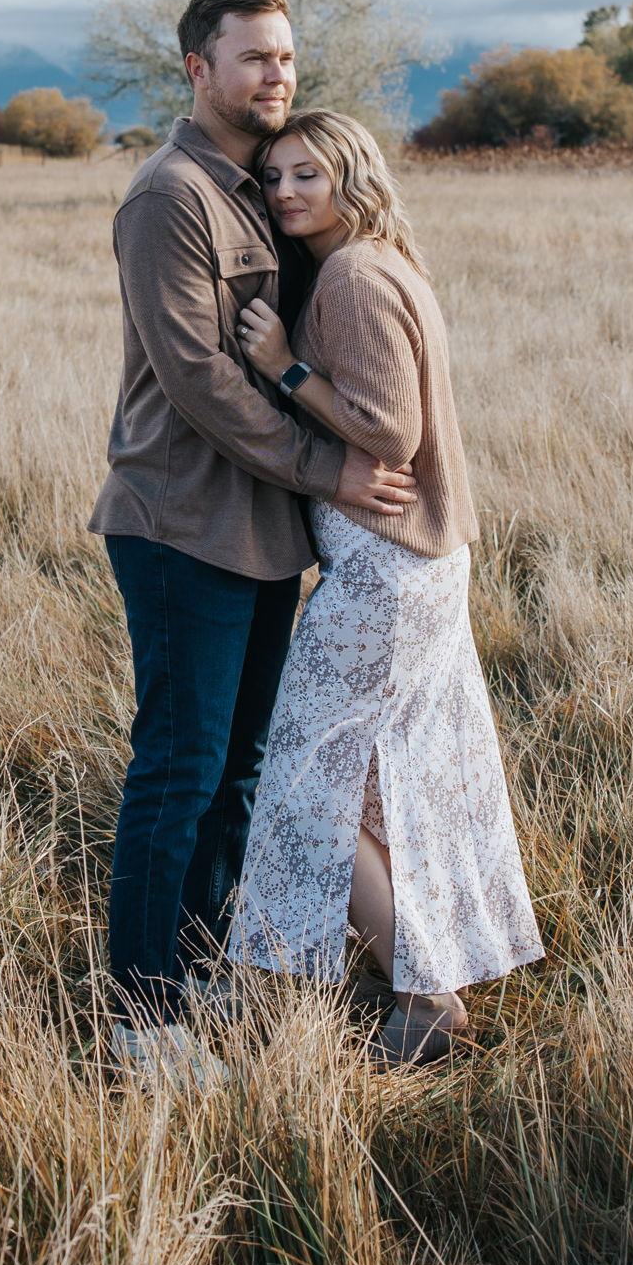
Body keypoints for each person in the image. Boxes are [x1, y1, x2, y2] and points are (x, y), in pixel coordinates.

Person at [88, 0, 420, 1089]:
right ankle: (142, 1025)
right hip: (182, 521)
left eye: (285, 56)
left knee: (240, 773)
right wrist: (331, 468)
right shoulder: (169, 198)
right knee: (177, 770)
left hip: (265, 529)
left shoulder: (268, 190)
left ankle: (195, 972)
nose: (277, 74)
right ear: (199, 69)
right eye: (253, 58)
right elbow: (199, 380)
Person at [225, 109, 544, 1067]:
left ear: (350, 176)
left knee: (304, 782)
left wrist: (283, 368)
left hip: (384, 570)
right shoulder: (385, 261)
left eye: (307, 174)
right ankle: (417, 970)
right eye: (274, 177)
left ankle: (426, 993)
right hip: (416, 565)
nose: (285, 193)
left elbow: (389, 431)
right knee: (376, 778)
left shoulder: (355, 278)